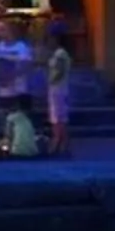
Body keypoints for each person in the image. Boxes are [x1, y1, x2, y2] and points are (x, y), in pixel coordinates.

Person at [0, 19, 34, 122]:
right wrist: (0, 78)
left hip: (19, 90)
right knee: (5, 119)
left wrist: (10, 77)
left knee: (20, 119)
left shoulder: (22, 47)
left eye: (4, 30)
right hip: (3, 90)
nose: (1, 33)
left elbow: (26, 66)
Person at [44, 22, 75, 155]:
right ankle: (63, 143)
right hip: (58, 88)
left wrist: (51, 80)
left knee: (58, 117)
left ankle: (57, 141)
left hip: (58, 89)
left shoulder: (60, 54)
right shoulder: (58, 53)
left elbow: (59, 70)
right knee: (59, 116)